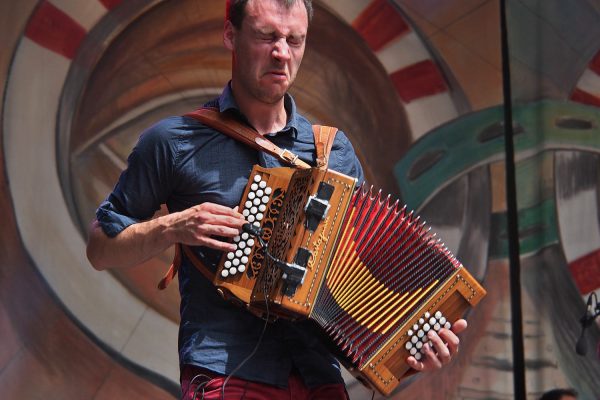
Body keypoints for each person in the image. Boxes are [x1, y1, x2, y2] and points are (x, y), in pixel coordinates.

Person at [86, 0, 467, 398]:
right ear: (230, 35)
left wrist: (411, 345)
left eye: (294, 40)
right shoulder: (173, 142)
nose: (282, 52)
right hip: (225, 374)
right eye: (267, 36)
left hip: (319, 376)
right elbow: (100, 249)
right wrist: (172, 226)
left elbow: (358, 280)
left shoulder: (332, 152)